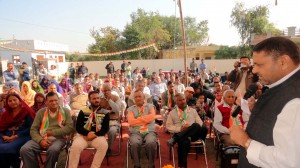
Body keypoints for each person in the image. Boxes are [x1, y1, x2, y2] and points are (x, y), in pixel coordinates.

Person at [229, 37, 300, 168]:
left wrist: (246, 142)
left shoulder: (295, 100)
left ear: (283, 62)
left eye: (259, 64)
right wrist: (256, 110)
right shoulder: (283, 87)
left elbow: (288, 162)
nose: (254, 70)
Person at [20, 91, 73, 168]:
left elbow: (69, 128)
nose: (54, 103)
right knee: (25, 149)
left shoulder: (65, 111)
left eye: (55, 100)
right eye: (51, 101)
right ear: (46, 102)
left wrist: (52, 132)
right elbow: (33, 129)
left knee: (53, 150)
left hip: (59, 139)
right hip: (41, 138)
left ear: (59, 100)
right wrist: (40, 140)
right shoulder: (41, 112)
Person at [68, 91, 110, 168]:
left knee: (104, 145)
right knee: (75, 146)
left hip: (97, 136)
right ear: (89, 100)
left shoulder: (105, 112)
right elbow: (78, 127)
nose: (96, 100)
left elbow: (105, 129)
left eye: (98, 98)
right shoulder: (83, 111)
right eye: (94, 98)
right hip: (83, 136)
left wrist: (94, 135)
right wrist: (87, 134)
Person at [166, 93, 208, 168]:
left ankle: (175, 138)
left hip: (193, 134)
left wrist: (189, 128)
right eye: (180, 100)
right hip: (181, 134)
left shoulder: (192, 111)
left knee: (196, 125)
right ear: (176, 102)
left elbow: (200, 123)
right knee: (183, 141)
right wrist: (180, 129)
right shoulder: (172, 113)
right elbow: (168, 126)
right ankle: (182, 166)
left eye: (183, 99)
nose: (182, 101)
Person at [0, 94, 35, 168]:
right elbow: (1, 128)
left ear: (19, 101)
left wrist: (16, 136)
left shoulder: (26, 112)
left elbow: (31, 128)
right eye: (10, 101)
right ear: (7, 103)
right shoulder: (6, 114)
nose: (12, 102)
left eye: (14, 100)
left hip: (22, 136)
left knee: (6, 148)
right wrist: (3, 136)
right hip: (6, 136)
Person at [127, 90, 157, 168]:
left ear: (144, 97)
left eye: (139, 96)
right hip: (136, 132)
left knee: (150, 142)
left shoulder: (150, 106)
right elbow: (131, 122)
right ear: (133, 99)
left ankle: (151, 165)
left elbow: (152, 117)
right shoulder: (130, 109)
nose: (137, 98)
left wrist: (138, 119)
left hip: (149, 131)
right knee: (134, 143)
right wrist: (145, 120)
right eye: (136, 97)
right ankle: (137, 165)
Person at [100, 83, 121, 155]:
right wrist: (108, 111)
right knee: (97, 130)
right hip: (101, 121)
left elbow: (116, 110)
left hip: (113, 121)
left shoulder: (116, 98)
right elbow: (97, 110)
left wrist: (109, 100)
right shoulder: (99, 98)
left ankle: (108, 148)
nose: (106, 92)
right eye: (104, 90)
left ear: (110, 90)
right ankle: (101, 147)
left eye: (107, 90)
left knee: (112, 131)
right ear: (102, 91)